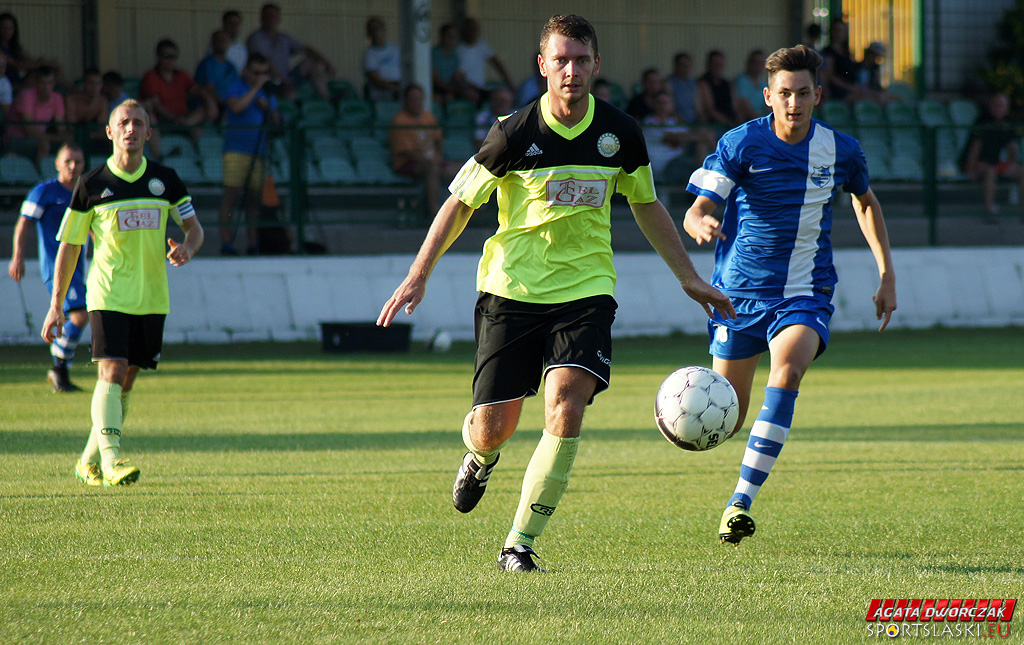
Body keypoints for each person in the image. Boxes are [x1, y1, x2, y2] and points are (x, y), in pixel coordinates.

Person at [378, 14, 733, 572]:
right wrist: (418, 272)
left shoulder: (620, 134)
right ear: (542, 66)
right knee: (493, 426)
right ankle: (478, 458)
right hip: (511, 290)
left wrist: (687, 276)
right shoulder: (513, 133)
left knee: (566, 404)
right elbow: (460, 203)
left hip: (586, 289)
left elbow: (645, 204)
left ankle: (518, 543)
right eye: (560, 60)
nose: (571, 70)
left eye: (582, 59)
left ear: (598, 65)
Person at [683, 45, 896, 546]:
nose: (794, 103)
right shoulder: (740, 143)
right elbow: (700, 205)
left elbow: (866, 204)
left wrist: (887, 274)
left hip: (805, 290)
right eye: (784, 94)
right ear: (768, 96)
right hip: (737, 294)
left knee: (789, 369)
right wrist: (700, 220)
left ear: (818, 94)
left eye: (803, 93)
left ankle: (740, 501)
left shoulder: (841, 150)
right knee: (728, 418)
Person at [42, 99, 204, 488]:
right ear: (110, 132)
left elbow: (194, 228)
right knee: (111, 371)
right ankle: (113, 461)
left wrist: (187, 248)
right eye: (123, 122)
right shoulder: (92, 185)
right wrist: (56, 306)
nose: (131, 128)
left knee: (125, 382)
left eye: (139, 123)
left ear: (149, 133)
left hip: (151, 297)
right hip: (108, 293)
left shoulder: (166, 181)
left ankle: (88, 461)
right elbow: (70, 244)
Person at [8, 143, 89, 393]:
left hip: (78, 267)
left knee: (72, 318)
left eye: (78, 162)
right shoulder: (45, 191)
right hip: (56, 268)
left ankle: (60, 369)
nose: (73, 166)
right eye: (68, 161)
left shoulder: (84, 192)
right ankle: (59, 368)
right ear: (57, 164)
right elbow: (24, 222)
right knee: (80, 315)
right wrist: (17, 256)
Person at [218, 53, 279, 256]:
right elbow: (236, 106)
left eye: (263, 73)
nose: (260, 76)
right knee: (232, 197)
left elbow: (277, 121)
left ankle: (253, 244)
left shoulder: (268, 93)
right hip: (236, 151)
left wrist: (268, 108)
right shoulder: (236, 87)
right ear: (246, 71)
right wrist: (255, 89)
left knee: (254, 200)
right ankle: (226, 243)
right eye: (256, 72)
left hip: (259, 152)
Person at [389, 84, 458, 215]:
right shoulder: (399, 121)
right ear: (405, 100)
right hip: (408, 164)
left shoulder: (428, 117)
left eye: (419, 98)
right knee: (431, 168)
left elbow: (438, 139)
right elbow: (406, 152)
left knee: (465, 169)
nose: (416, 102)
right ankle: (434, 213)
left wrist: (438, 156)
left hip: (433, 160)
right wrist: (431, 161)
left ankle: (469, 214)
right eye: (413, 99)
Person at [246, 3, 334, 101]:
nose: (271, 19)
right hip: (268, 81)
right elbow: (266, 62)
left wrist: (326, 63)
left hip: (287, 77)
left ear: (279, 19)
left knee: (310, 63)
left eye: (274, 16)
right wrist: (283, 82)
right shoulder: (256, 38)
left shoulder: (283, 37)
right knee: (289, 93)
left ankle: (328, 99)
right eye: (268, 16)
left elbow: (306, 49)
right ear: (261, 18)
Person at [961, 92, 1024, 219]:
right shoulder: (983, 121)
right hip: (979, 162)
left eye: (1002, 106)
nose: (998, 108)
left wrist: (1011, 161)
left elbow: (1011, 146)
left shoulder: (1009, 123)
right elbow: (975, 148)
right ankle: (989, 210)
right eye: (996, 105)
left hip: (996, 162)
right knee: (990, 170)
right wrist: (971, 170)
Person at [140, 39, 219, 129]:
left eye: (174, 56)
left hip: (185, 119)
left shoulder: (182, 75)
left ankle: (184, 126)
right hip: (162, 122)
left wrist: (210, 102)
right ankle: (182, 126)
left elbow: (198, 90)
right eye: (167, 55)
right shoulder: (150, 76)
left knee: (198, 128)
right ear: (158, 56)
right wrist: (174, 118)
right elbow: (155, 104)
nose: (171, 59)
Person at [641, 90, 714, 184]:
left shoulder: (673, 122)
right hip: (665, 166)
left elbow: (690, 135)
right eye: (659, 102)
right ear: (653, 104)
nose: (662, 106)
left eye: (666, 102)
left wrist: (704, 136)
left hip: (680, 160)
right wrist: (703, 136)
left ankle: (704, 184)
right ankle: (705, 184)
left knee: (701, 144)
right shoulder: (648, 122)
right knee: (703, 164)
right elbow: (674, 137)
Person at [5, 66, 69, 163]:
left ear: (54, 83)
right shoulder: (26, 95)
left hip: (40, 139)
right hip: (15, 141)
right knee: (44, 144)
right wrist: (55, 138)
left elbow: (61, 127)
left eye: (49, 83)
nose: (46, 86)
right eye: (42, 82)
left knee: (69, 145)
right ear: (36, 83)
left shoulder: (57, 98)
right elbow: (29, 131)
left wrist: (66, 138)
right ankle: (42, 177)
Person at [455, 17, 514, 104]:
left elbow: (497, 64)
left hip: (481, 89)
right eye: (470, 29)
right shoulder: (457, 49)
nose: (473, 32)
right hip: (464, 90)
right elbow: (458, 76)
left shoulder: (482, 45)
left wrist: (509, 83)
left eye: (475, 29)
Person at [64, 67, 111, 156]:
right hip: (73, 140)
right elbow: (71, 127)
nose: (94, 87)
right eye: (91, 83)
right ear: (84, 83)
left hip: (95, 140)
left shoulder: (103, 102)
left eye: (98, 84)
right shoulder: (71, 100)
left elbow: (102, 129)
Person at [195, 30, 240, 109]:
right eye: (217, 40)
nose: (220, 44)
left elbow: (237, 88)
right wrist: (225, 105)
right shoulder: (207, 64)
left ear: (228, 43)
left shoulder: (231, 66)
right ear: (212, 43)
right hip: (211, 107)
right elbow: (208, 89)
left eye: (223, 41)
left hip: (231, 106)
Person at [696, 50, 739, 132]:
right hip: (714, 124)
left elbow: (735, 106)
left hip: (731, 122)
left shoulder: (728, 83)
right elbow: (709, 108)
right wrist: (727, 122)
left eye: (720, 65)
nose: (718, 67)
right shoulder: (703, 83)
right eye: (715, 64)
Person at [363, 16, 401, 102]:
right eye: (372, 29)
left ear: (384, 30)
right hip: (383, 94)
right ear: (368, 33)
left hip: (400, 88)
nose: (376, 32)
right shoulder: (369, 55)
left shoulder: (396, 49)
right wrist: (397, 88)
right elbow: (376, 81)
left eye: (378, 28)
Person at [821, 19, 860, 103]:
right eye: (837, 30)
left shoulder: (846, 52)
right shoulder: (829, 52)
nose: (839, 33)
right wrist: (849, 87)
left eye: (842, 30)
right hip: (839, 91)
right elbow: (829, 75)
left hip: (851, 87)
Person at [432, 23, 465, 105]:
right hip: (435, 88)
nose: (452, 39)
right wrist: (451, 89)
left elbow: (456, 76)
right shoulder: (434, 53)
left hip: (450, 88)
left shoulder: (455, 55)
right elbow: (434, 79)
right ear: (442, 37)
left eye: (455, 37)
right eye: (449, 36)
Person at [734, 49, 770, 121]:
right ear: (748, 63)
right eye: (755, 63)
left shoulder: (763, 84)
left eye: (761, 63)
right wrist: (762, 122)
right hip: (747, 122)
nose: (758, 66)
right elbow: (744, 108)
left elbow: (768, 106)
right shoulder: (741, 82)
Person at [667, 51, 699, 124]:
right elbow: (669, 108)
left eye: (688, 66)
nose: (686, 69)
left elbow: (698, 107)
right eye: (683, 66)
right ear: (676, 66)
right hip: (675, 122)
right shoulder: (668, 83)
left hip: (693, 123)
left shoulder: (693, 84)